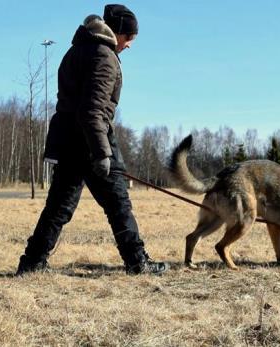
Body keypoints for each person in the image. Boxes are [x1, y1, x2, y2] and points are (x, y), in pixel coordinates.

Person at [16, 4, 168, 276]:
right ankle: (137, 262)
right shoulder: (104, 56)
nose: (130, 44)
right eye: (129, 37)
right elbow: (92, 111)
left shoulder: (78, 49)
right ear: (117, 33)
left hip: (70, 141)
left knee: (59, 207)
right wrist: (102, 153)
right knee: (119, 203)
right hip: (91, 142)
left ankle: (32, 262)